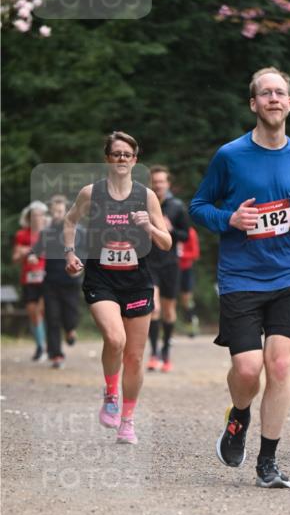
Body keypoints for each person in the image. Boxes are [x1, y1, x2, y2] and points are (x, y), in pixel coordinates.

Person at [190, 66, 290, 489]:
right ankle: (239, 415)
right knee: (247, 369)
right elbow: (199, 205)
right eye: (265, 93)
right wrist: (229, 218)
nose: (273, 99)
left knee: (279, 365)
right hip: (240, 276)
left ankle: (268, 462)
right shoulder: (230, 155)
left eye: (280, 93)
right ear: (253, 103)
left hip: (289, 273)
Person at [64, 131, 171, 444]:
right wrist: (70, 252)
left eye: (128, 154)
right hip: (101, 279)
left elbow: (166, 243)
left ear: (135, 160)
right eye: (116, 154)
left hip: (137, 282)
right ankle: (111, 393)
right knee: (115, 338)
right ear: (107, 158)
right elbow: (69, 221)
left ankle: (127, 420)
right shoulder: (91, 193)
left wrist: (147, 226)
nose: (122, 159)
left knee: (135, 358)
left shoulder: (147, 196)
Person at [146, 166, 190, 372]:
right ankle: (154, 353)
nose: (158, 185)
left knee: (169, 311)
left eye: (161, 181)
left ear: (168, 184)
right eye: (154, 182)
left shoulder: (177, 206)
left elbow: (186, 236)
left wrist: (170, 229)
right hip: (149, 262)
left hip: (170, 264)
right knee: (153, 308)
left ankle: (166, 352)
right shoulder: (144, 204)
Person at [32, 195, 83, 368]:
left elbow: (84, 253)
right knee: (52, 317)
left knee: (70, 315)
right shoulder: (46, 233)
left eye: (60, 211)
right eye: (54, 211)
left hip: (71, 280)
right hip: (51, 281)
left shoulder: (77, 230)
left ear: (67, 211)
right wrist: (33, 256)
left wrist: (80, 268)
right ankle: (56, 355)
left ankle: (70, 330)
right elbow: (36, 251)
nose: (57, 214)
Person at [12, 201, 48, 360]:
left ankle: (46, 347)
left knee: (42, 312)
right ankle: (41, 346)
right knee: (33, 313)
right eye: (34, 216)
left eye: (40, 215)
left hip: (47, 278)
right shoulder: (21, 235)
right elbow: (15, 258)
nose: (37, 219)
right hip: (28, 279)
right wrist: (24, 253)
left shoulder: (49, 233)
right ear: (28, 218)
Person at [178, 224, 201, 337]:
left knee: (186, 300)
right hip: (169, 269)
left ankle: (191, 324)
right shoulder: (167, 229)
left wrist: (181, 254)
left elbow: (195, 254)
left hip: (185, 269)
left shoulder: (190, 232)